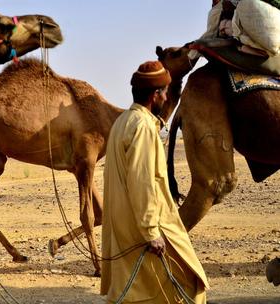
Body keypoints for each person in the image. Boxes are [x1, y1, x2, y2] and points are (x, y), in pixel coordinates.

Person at [101, 61, 209, 304]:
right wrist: (150, 232)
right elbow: (143, 181)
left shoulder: (123, 121)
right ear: (155, 95)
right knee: (191, 283)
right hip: (146, 224)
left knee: (138, 291)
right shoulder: (143, 127)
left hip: (125, 221)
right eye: (165, 93)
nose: (167, 98)